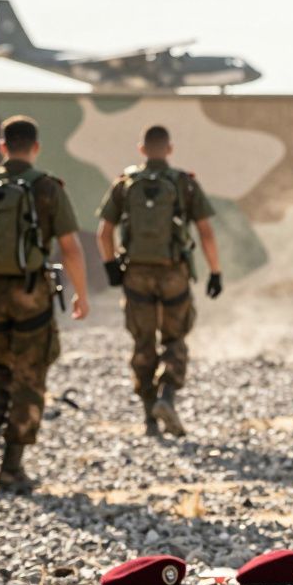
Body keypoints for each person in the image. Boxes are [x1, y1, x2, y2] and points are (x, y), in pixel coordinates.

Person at [0, 115, 90, 493]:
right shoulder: (47, 188)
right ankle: (11, 468)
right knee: (30, 377)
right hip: (32, 297)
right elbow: (71, 248)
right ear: (36, 147)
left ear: (2, 146)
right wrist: (81, 293)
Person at [96, 125, 221, 438]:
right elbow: (205, 232)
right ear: (169, 149)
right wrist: (215, 271)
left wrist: (111, 265)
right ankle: (167, 396)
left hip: (136, 273)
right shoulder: (184, 184)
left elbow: (104, 231)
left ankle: (149, 417)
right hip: (173, 274)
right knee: (174, 338)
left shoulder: (125, 184)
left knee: (143, 342)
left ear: (141, 149)